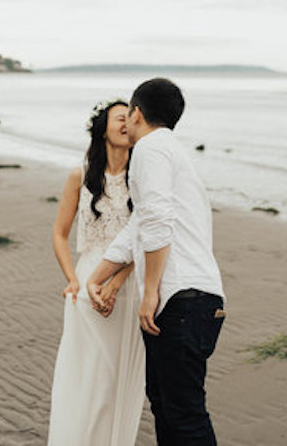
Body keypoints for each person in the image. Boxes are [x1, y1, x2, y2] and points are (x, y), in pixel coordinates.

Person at [88, 78, 226, 445]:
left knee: (182, 414)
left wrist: (150, 291)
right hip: (195, 300)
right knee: (167, 406)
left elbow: (157, 220)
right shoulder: (170, 150)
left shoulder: (150, 149)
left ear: (137, 113)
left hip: (181, 299)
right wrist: (98, 276)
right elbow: (139, 223)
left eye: (127, 115)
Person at [47, 99, 145, 446]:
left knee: (117, 378)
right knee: (86, 374)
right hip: (86, 283)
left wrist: (117, 283)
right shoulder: (80, 175)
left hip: (129, 284)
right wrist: (73, 279)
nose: (126, 123)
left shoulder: (142, 178)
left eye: (131, 119)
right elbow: (59, 233)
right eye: (120, 117)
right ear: (103, 127)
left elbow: (145, 237)